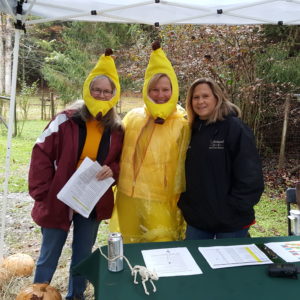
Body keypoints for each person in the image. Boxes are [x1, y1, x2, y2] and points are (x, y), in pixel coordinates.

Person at [28, 49, 124, 299]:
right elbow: (41, 153)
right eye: (97, 90)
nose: (101, 94)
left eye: (107, 91)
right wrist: (42, 192)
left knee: (83, 253)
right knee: (49, 252)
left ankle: (76, 295)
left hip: (90, 198)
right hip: (58, 196)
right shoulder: (66, 120)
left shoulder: (117, 129)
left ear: (114, 95)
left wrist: (112, 169)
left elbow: (122, 162)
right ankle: (38, 294)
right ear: (87, 90)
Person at [110, 41, 190, 243]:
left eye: (165, 89)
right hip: (128, 195)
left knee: (162, 246)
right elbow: (115, 151)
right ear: (146, 90)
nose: (160, 95)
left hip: (161, 200)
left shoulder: (183, 122)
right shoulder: (133, 117)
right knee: (129, 245)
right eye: (154, 89)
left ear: (174, 90)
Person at [178, 78, 264, 240]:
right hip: (198, 220)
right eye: (195, 97)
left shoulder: (234, 128)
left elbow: (250, 174)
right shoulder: (191, 130)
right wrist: (187, 204)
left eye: (205, 96)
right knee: (196, 264)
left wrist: (235, 207)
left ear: (217, 98)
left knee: (230, 265)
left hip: (231, 221)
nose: (200, 101)